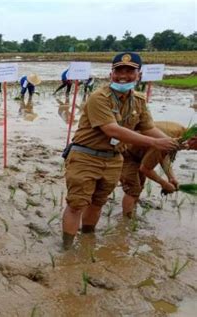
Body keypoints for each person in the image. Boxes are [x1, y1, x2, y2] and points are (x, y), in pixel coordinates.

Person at [61, 52, 179, 250]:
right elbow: (111, 129)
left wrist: (172, 142)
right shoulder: (99, 97)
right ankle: (66, 249)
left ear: (138, 75)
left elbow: (148, 127)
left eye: (130, 71)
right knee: (77, 204)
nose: (124, 75)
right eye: (119, 71)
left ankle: (87, 240)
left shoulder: (139, 101)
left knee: (98, 202)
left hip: (115, 159)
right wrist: (154, 143)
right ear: (111, 74)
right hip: (86, 156)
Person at [121, 121, 186, 218]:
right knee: (133, 189)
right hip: (126, 153)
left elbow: (163, 157)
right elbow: (145, 169)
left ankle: (132, 213)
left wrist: (171, 177)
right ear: (194, 139)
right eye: (195, 148)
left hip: (138, 153)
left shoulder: (179, 131)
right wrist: (164, 184)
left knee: (140, 185)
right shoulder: (168, 139)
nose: (193, 150)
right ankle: (125, 223)